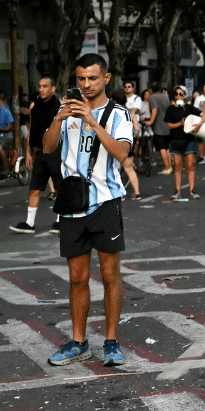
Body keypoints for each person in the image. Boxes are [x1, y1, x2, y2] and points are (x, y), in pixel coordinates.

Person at [43, 54, 132, 367]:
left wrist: (93, 121)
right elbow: (48, 147)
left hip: (105, 201)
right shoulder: (66, 110)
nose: (86, 84)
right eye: (81, 78)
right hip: (71, 205)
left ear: (106, 78)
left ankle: (111, 341)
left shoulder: (118, 114)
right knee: (77, 277)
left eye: (92, 78)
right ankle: (79, 342)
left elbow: (121, 152)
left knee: (110, 275)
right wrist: (58, 119)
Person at [10, 77, 62, 234]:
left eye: (45, 86)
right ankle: (29, 223)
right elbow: (32, 129)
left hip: (56, 151)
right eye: (40, 86)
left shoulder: (60, 106)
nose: (41, 89)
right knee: (34, 188)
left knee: (60, 188)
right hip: (39, 152)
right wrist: (28, 152)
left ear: (53, 89)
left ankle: (60, 221)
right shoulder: (34, 106)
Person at [164, 85, 205, 199]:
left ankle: (192, 191)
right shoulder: (170, 109)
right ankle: (177, 191)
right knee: (177, 167)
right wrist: (180, 124)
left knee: (190, 165)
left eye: (181, 94)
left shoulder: (189, 108)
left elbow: (203, 115)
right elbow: (169, 125)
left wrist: (199, 124)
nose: (178, 96)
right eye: (176, 94)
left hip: (189, 140)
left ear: (185, 96)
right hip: (175, 141)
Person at [143, 82, 172, 175]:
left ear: (150, 89)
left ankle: (167, 168)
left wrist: (150, 121)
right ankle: (170, 166)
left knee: (161, 147)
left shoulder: (152, 98)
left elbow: (154, 110)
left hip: (159, 125)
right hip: (168, 123)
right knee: (167, 147)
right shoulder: (165, 96)